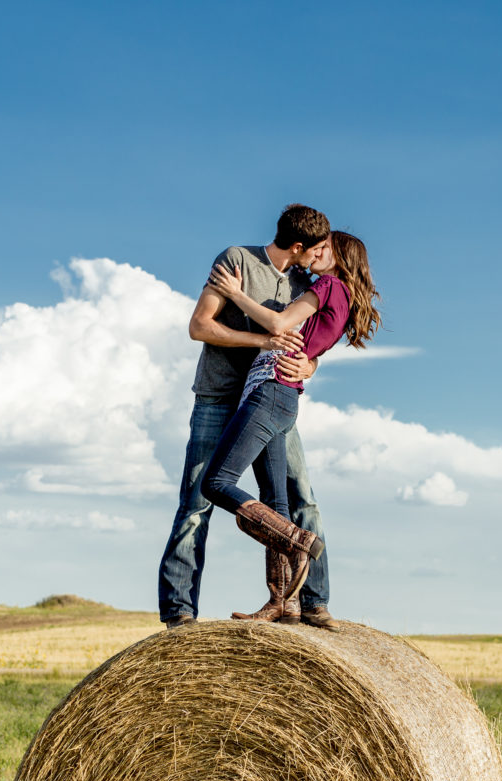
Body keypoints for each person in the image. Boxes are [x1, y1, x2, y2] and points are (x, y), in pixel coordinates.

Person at [157, 204, 336, 629]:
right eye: (318, 249)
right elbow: (200, 326)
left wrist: (310, 366)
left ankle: (310, 603)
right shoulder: (236, 260)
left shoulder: (303, 284)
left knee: (299, 497)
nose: (321, 257)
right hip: (218, 398)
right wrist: (262, 339)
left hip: (268, 399)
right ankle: (180, 612)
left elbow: (309, 341)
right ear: (299, 246)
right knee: (198, 502)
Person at [199, 231, 380, 623]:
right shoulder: (336, 293)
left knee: (214, 483)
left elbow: (280, 323)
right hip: (283, 396)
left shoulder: (331, 285)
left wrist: (235, 292)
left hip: (272, 389)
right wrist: (310, 365)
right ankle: (285, 603)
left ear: (340, 257)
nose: (316, 252)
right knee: (276, 501)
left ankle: (296, 540)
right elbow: (307, 345)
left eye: (324, 247)